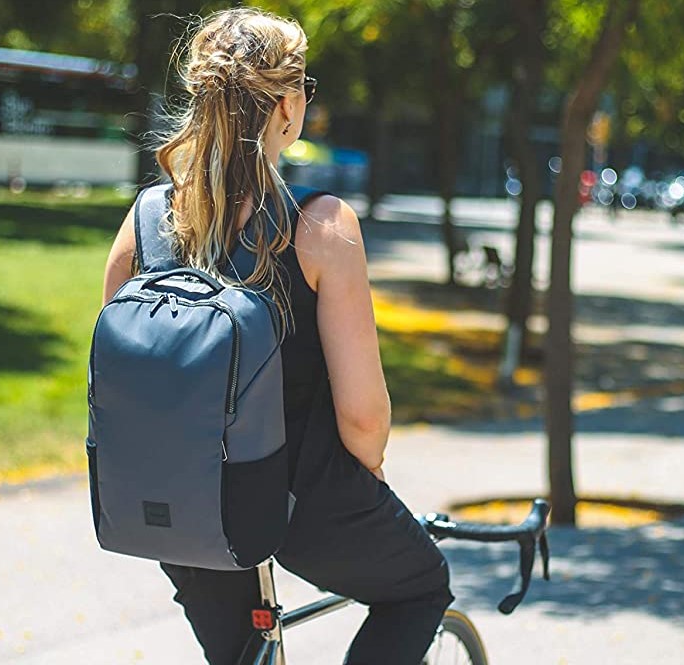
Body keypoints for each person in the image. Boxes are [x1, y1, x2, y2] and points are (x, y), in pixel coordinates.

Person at [101, 8, 453, 664]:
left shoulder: (145, 220)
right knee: (420, 587)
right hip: (301, 502)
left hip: (177, 505)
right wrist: (370, 470)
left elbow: (124, 378)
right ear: (287, 106)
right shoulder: (319, 226)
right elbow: (361, 414)